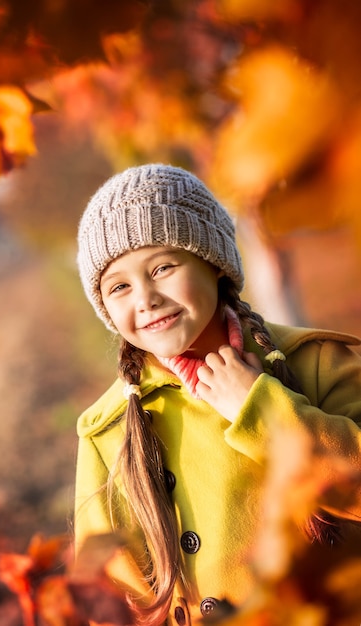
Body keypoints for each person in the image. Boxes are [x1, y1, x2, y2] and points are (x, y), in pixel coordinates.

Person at [74, 163, 361, 626]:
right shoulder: (107, 432)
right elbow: (108, 601)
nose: (144, 298)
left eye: (163, 267)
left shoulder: (319, 361)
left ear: (213, 263)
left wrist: (260, 409)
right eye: (119, 287)